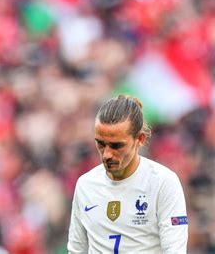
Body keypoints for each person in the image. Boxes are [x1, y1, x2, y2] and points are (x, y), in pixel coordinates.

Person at [67, 94, 188, 253]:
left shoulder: (163, 182)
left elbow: (174, 250)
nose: (107, 154)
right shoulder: (86, 184)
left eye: (117, 146)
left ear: (140, 139)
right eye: (101, 144)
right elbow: (77, 249)